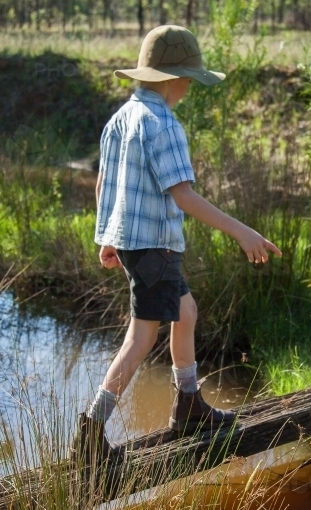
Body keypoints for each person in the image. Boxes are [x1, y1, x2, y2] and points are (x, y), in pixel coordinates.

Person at [75, 25, 281, 461]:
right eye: (189, 78)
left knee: (185, 311)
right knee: (141, 338)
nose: (190, 86)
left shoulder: (120, 118)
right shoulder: (162, 123)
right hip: (154, 245)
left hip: (135, 244)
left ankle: (188, 405)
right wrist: (242, 232)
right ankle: (90, 432)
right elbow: (183, 195)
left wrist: (109, 238)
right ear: (172, 79)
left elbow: (103, 184)